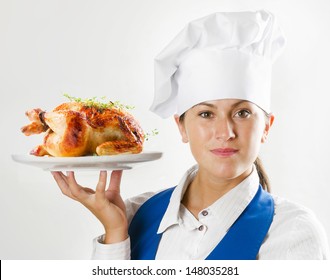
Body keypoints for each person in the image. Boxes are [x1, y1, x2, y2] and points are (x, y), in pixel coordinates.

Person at [52, 10, 329, 260]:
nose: (225, 132)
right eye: (206, 114)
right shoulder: (135, 215)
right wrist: (115, 232)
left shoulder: (292, 233)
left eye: (242, 113)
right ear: (181, 127)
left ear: (266, 126)